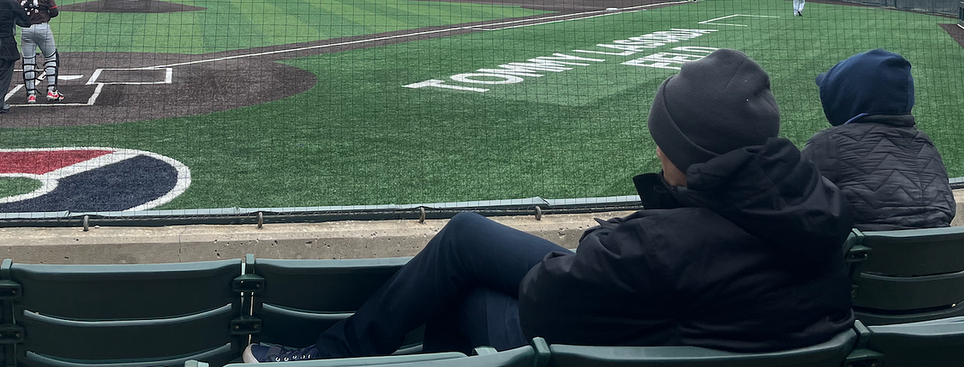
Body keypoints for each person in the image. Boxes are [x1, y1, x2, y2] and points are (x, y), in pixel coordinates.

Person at [244, 49, 853, 362]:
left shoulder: (657, 244)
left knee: (467, 291)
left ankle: (329, 359)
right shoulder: (817, 207)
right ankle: (334, 354)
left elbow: (548, 306)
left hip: (626, 340)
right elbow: (692, 260)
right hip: (699, 325)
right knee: (466, 236)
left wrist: (613, 239)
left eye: (664, 140)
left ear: (691, 155)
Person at [802, 50, 955, 231]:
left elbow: (795, 206)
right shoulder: (926, 145)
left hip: (863, 257)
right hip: (937, 255)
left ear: (846, 98)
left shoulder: (827, 142)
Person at [11, 0, 63, 103]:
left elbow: (12, 14)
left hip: (26, 30)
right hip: (43, 28)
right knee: (51, 58)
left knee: (28, 61)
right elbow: (55, 12)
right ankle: (52, 91)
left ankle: (31, 94)